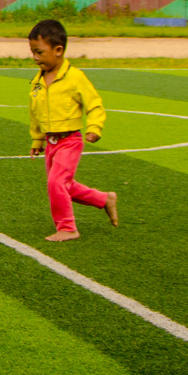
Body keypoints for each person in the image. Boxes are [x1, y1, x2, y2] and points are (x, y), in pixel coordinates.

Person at [27, 18, 118, 243]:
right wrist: (37, 140)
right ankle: (104, 199)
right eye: (32, 52)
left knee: (56, 183)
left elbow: (95, 104)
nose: (35, 57)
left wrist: (95, 127)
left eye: (39, 52)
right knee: (64, 185)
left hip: (70, 141)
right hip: (51, 144)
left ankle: (67, 228)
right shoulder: (37, 82)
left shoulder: (75, 78)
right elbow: (35, 113)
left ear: (58, 50)